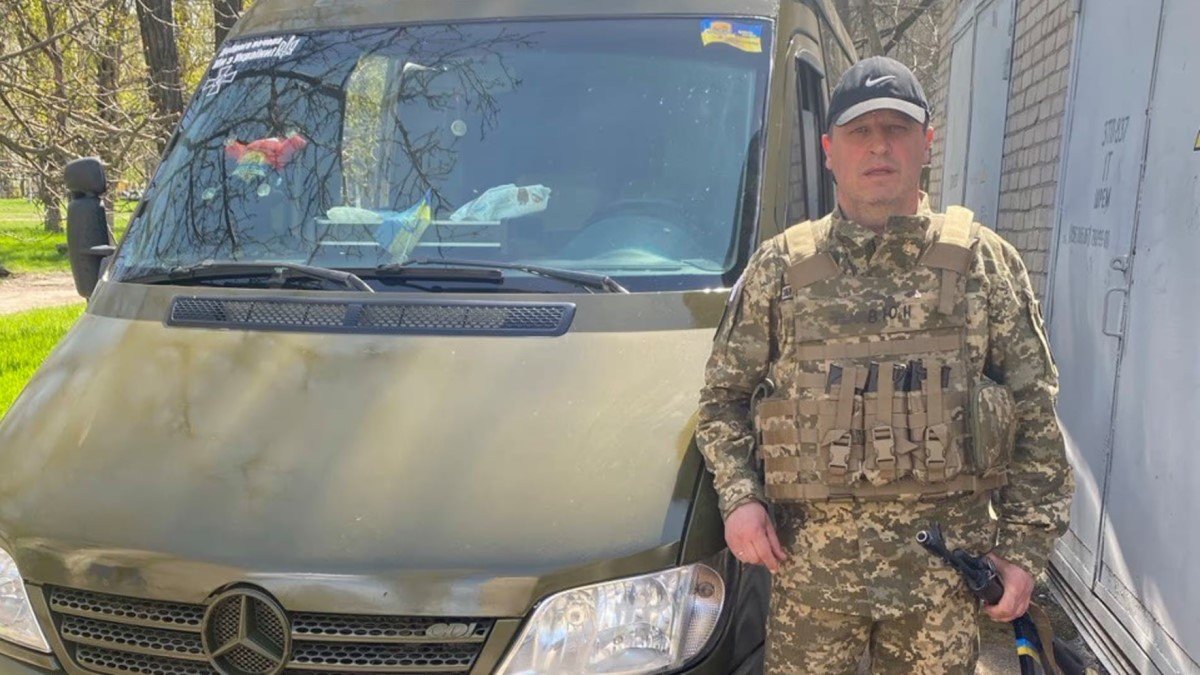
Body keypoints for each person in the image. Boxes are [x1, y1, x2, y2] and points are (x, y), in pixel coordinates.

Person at [696, 56, 1074, 674]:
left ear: (927, 142)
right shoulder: (779, 268)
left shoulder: (984, 263)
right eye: (859, 131)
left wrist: (1023, 548)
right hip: (811, 577)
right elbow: (722, 401)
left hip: (942, 581)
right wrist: (740, 498)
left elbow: (1035, 414)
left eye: (897, 129)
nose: (878, 146)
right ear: (829, 150)